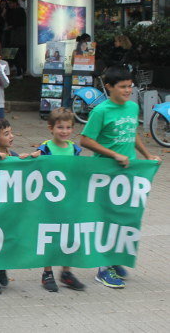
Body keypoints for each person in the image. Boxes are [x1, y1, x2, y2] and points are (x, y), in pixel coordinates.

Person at [79, 66, 162, 288]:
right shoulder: (101, 111)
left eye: (130, 86)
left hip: (128, 173)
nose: (127, 91)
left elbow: (132, 133)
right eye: (122, 87)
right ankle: (102, 269)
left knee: (123, 219)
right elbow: (85, 140)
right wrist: (113, 154)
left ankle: (114, 261)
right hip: (106, 174)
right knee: (107, 221)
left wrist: (147, 155)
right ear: (109, 87)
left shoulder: (132, 108)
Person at [0, 117, 37, 294]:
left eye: (11, 132)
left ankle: (1, 267)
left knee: (6, 240)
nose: (11, 136)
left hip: (9, 210)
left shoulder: (14, 156)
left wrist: (28, 161)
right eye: (6, 134)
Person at [34, 107, 86, 292]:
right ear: (51, 128)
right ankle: (47, 273)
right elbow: (35, 166)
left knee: (69, 236)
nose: (64, 131)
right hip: (49, 203)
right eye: (60, 127)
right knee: (50, 236)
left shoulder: (74, 149)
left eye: (68, 127)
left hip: (69, 202)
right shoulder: (46, 147)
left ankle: (66, 272)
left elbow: (80, 171)